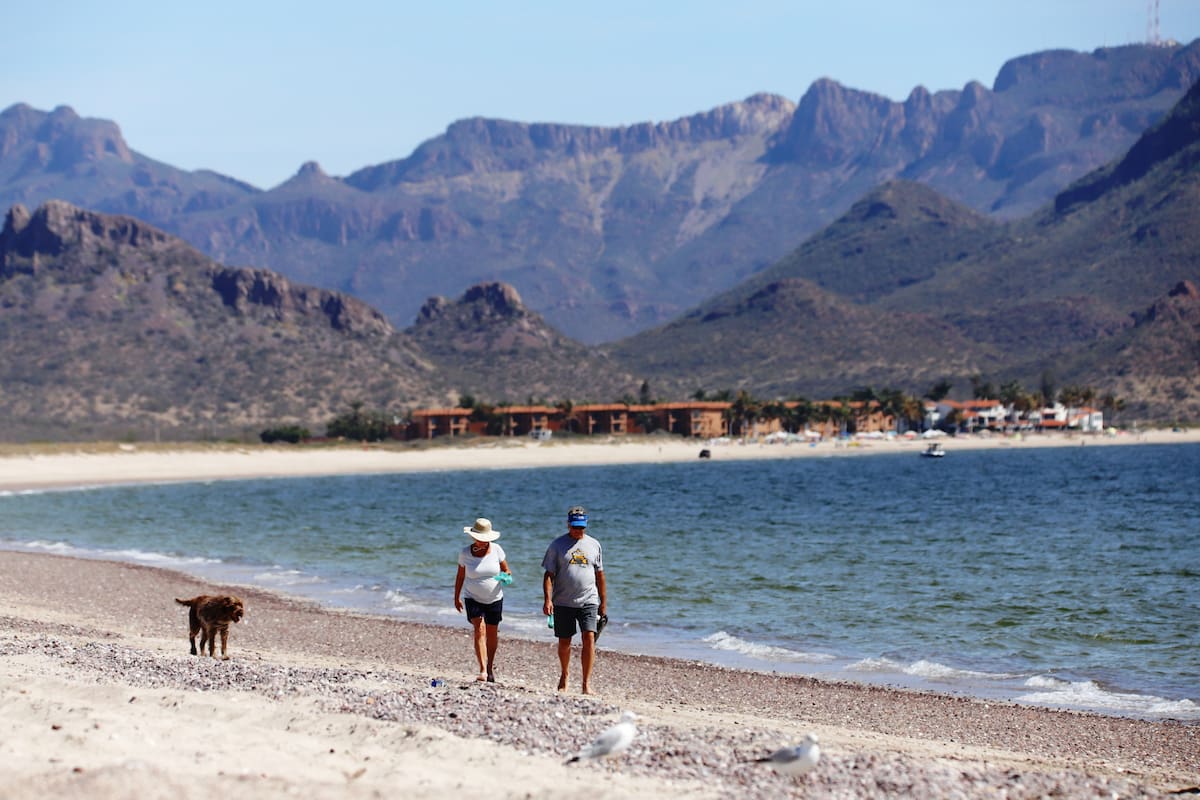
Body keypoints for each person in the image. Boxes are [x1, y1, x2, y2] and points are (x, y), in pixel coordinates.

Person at [542, 505, 606, 694]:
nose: (578, 530)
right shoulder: (557, 545)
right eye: (575, 527)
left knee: (589, 637)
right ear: (568, 524)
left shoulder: (594, 545)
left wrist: (603, 602)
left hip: (589, 599)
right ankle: (565, 675)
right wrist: (548, 600)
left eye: (581, 527)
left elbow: (600, 575)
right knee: (565, 641)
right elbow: (548, 575)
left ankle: (586, 683)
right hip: (563, 601)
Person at [454, 517, 511, 683]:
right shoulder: (465, 553)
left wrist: (506, 576)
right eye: (479, 538)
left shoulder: (497, 550)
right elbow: (460, 576)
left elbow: (507, 570)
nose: (482, 541)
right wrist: (456, 597)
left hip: (495, 598)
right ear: (473, 536)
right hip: (472, 597)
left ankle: (490, 667)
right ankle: (482, 670)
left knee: (492, 634)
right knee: (479, 629)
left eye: (485, 539)